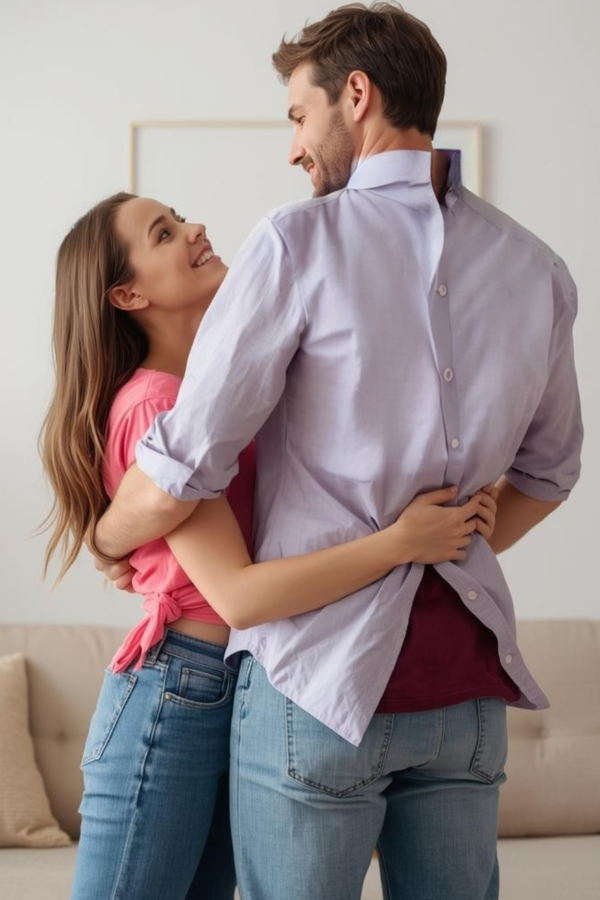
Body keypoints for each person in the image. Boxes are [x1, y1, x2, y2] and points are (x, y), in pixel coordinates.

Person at [91, 4, 583, 899]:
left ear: (356, 96)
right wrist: (443, 551)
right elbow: (553, 471)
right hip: (469, 692)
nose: (293, 148)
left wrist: (109, 536)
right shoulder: (537, 266)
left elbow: (185, 463)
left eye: (297, 115)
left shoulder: (296, 240)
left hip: (320, 689)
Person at [39, 191, 498, 900]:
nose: (194, 228)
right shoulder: (160, 405)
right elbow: (241, 593)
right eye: (164, 233)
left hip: (244, 683)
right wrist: (402, 542)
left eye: (181, 215)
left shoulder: (224, 389)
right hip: (180, 686)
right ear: (127, 294)